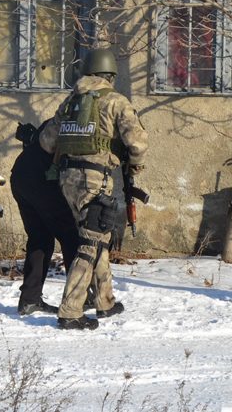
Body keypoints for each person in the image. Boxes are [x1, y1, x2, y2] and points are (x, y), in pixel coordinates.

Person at [39, 47, 148, 330]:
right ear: (110, 75)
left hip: (67, 179)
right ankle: (70, 310)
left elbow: (47, 142)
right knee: (90, 242)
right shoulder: (115, 101)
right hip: (96, 179)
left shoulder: (71, 101)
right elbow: (138, 143)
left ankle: (104, 300)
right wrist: (134, 167)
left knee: (97, 235)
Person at [10, 119, 81, 316]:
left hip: (21, 176)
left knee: (40, 238)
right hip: (41, 181)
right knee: (71, 236)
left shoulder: (56, 120)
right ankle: (77, 300)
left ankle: (30, 299)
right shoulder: (80, 125)